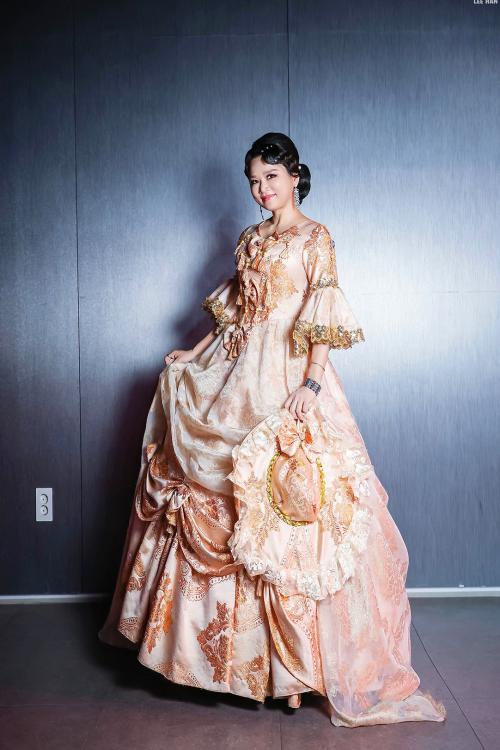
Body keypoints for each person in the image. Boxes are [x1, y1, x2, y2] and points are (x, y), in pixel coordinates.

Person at [98, 132, 447, 727]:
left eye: (272, 178)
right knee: (219, 491)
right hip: (238, 369)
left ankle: (296, 670)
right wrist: (194, 352)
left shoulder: (316, 239)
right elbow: (237, 312)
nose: (262, 190)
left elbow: (320, 320)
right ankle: (227, 665)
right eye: (255, 181)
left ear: (295, 176)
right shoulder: (251, 238)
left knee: (292, 504)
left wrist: (311, 385)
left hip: (287, 375)